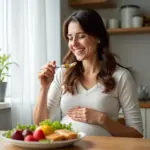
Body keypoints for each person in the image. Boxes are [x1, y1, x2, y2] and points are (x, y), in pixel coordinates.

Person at [33, 9, 143, 137]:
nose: (73, 43)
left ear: (98, 37)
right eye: (70, 38)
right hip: (65, 146)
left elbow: (137, 133)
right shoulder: (63, 73)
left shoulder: (121, 76)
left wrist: (101, 119)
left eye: (81, 36)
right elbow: (41, 123)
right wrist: (44, 87)